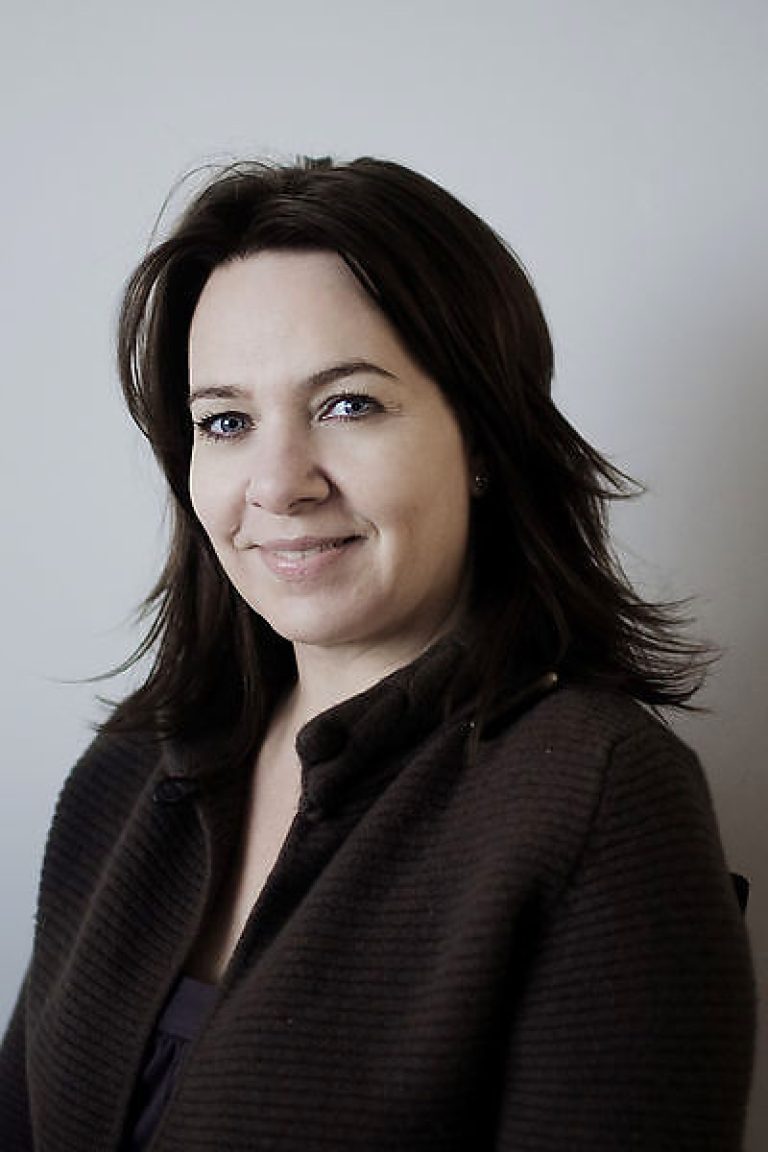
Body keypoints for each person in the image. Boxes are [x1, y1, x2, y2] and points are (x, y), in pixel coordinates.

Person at [0, 156, 755, 1151]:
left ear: (482, 439)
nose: (279, 483)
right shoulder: (131, 765)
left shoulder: (600, 797)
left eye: (347, 404)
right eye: (226, 421)